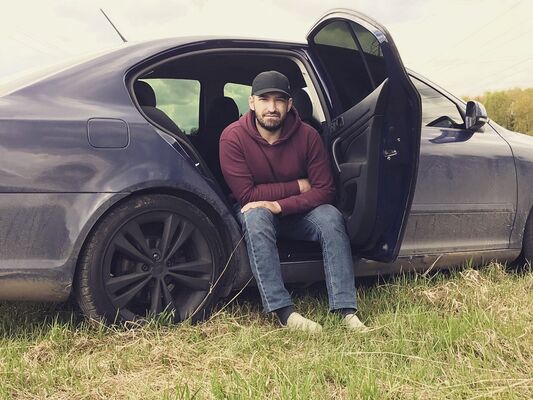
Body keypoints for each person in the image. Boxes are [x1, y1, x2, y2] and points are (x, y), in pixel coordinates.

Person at [219, 71, 366, 332]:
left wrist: (279, 205)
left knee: (330, 215)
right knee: (255, 215)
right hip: (258, 213)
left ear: (289, 104)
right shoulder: (232, 137)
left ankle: (346, 310)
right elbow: (248, 196)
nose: (272, 107)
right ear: (252, 103)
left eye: (279, 100)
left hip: (297, 214)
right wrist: (298, 185)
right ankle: (284, 312)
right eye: (264, 99)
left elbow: (325, 190)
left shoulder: (308, 136)